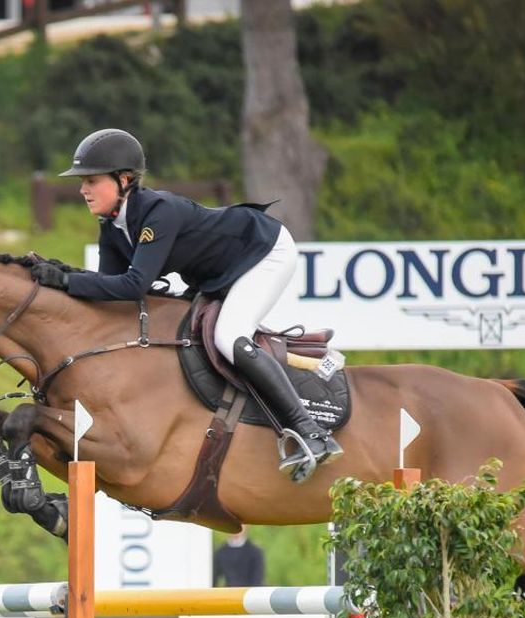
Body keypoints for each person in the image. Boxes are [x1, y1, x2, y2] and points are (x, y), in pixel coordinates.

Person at [31, 128, 341, 482]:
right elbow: (109, 292)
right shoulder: (112, 228)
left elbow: (133, 285)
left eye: (91, 181)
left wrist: (65, 280)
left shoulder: (158, 212)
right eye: (82, 182)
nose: (83, 190)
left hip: (263, 251)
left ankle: (311, 432)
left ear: (124, 180)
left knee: (228, 337)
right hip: (219, 272)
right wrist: (62, 277)